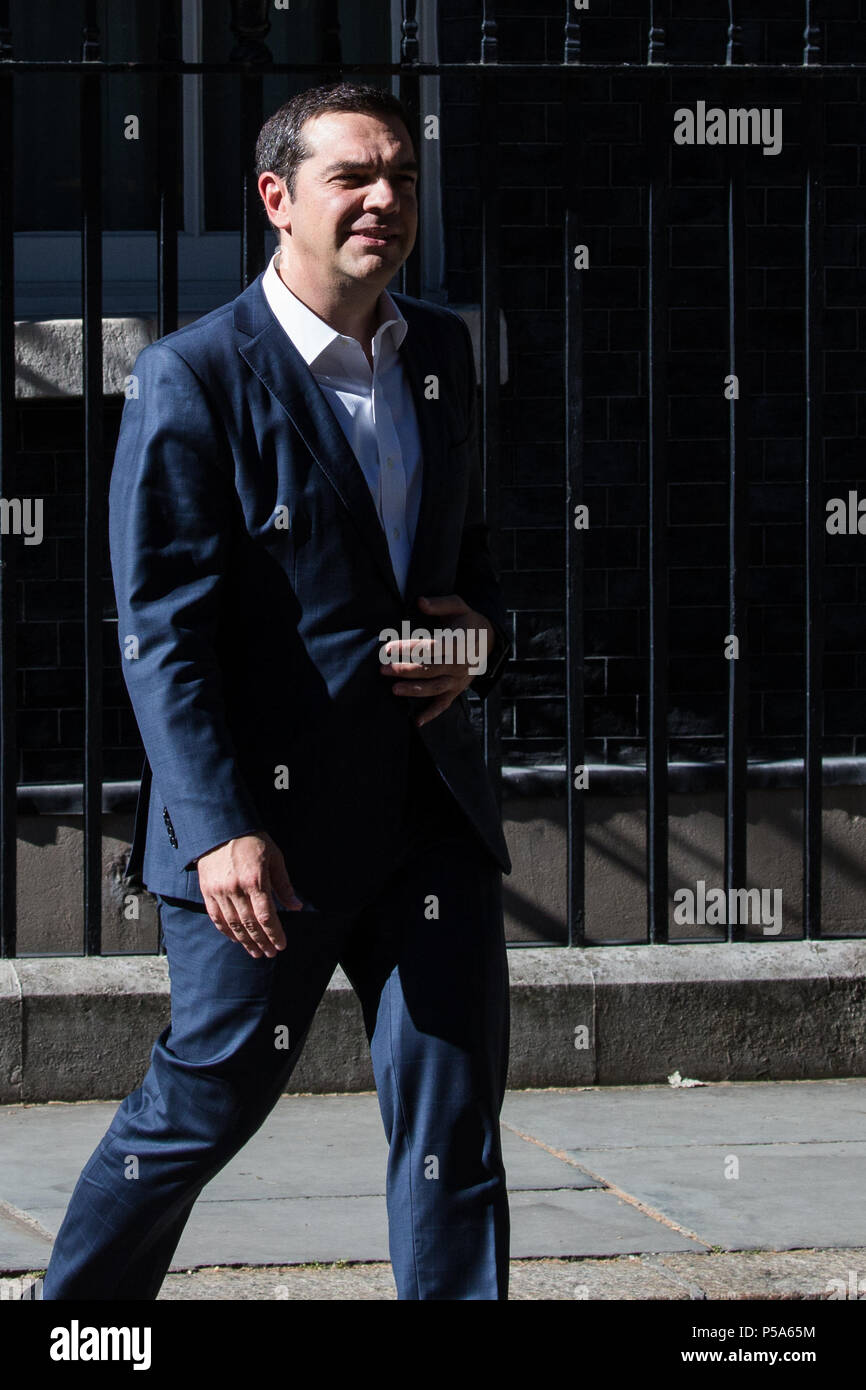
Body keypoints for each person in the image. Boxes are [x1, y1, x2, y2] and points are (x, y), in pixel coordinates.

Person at [42, 81, 513, 1302]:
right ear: (275, 198)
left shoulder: (442, 352)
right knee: (202, 1108)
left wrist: (478, 639)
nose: (384, 201)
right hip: (264, 838)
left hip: (425, 812)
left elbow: (464, 572)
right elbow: (163, 634)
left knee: (452, 1119)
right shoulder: (195, 379)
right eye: (352, 176)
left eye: (402, 178)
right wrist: (218, 830)